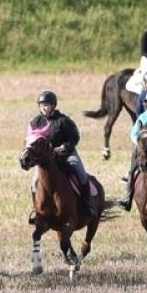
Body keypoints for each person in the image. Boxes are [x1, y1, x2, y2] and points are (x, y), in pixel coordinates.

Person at [26, 90, 96, 221]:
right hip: (46, 159)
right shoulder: (35, 122)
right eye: (41, 105)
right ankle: (37, 210)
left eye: (46, 105)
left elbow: (75, 137)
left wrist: (64, 147)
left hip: (66, 155)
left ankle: (87, 206)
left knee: (80, 173)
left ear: (53, 106)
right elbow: (30, 140)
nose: (43, 108)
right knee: (34, 182)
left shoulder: (63, 120)